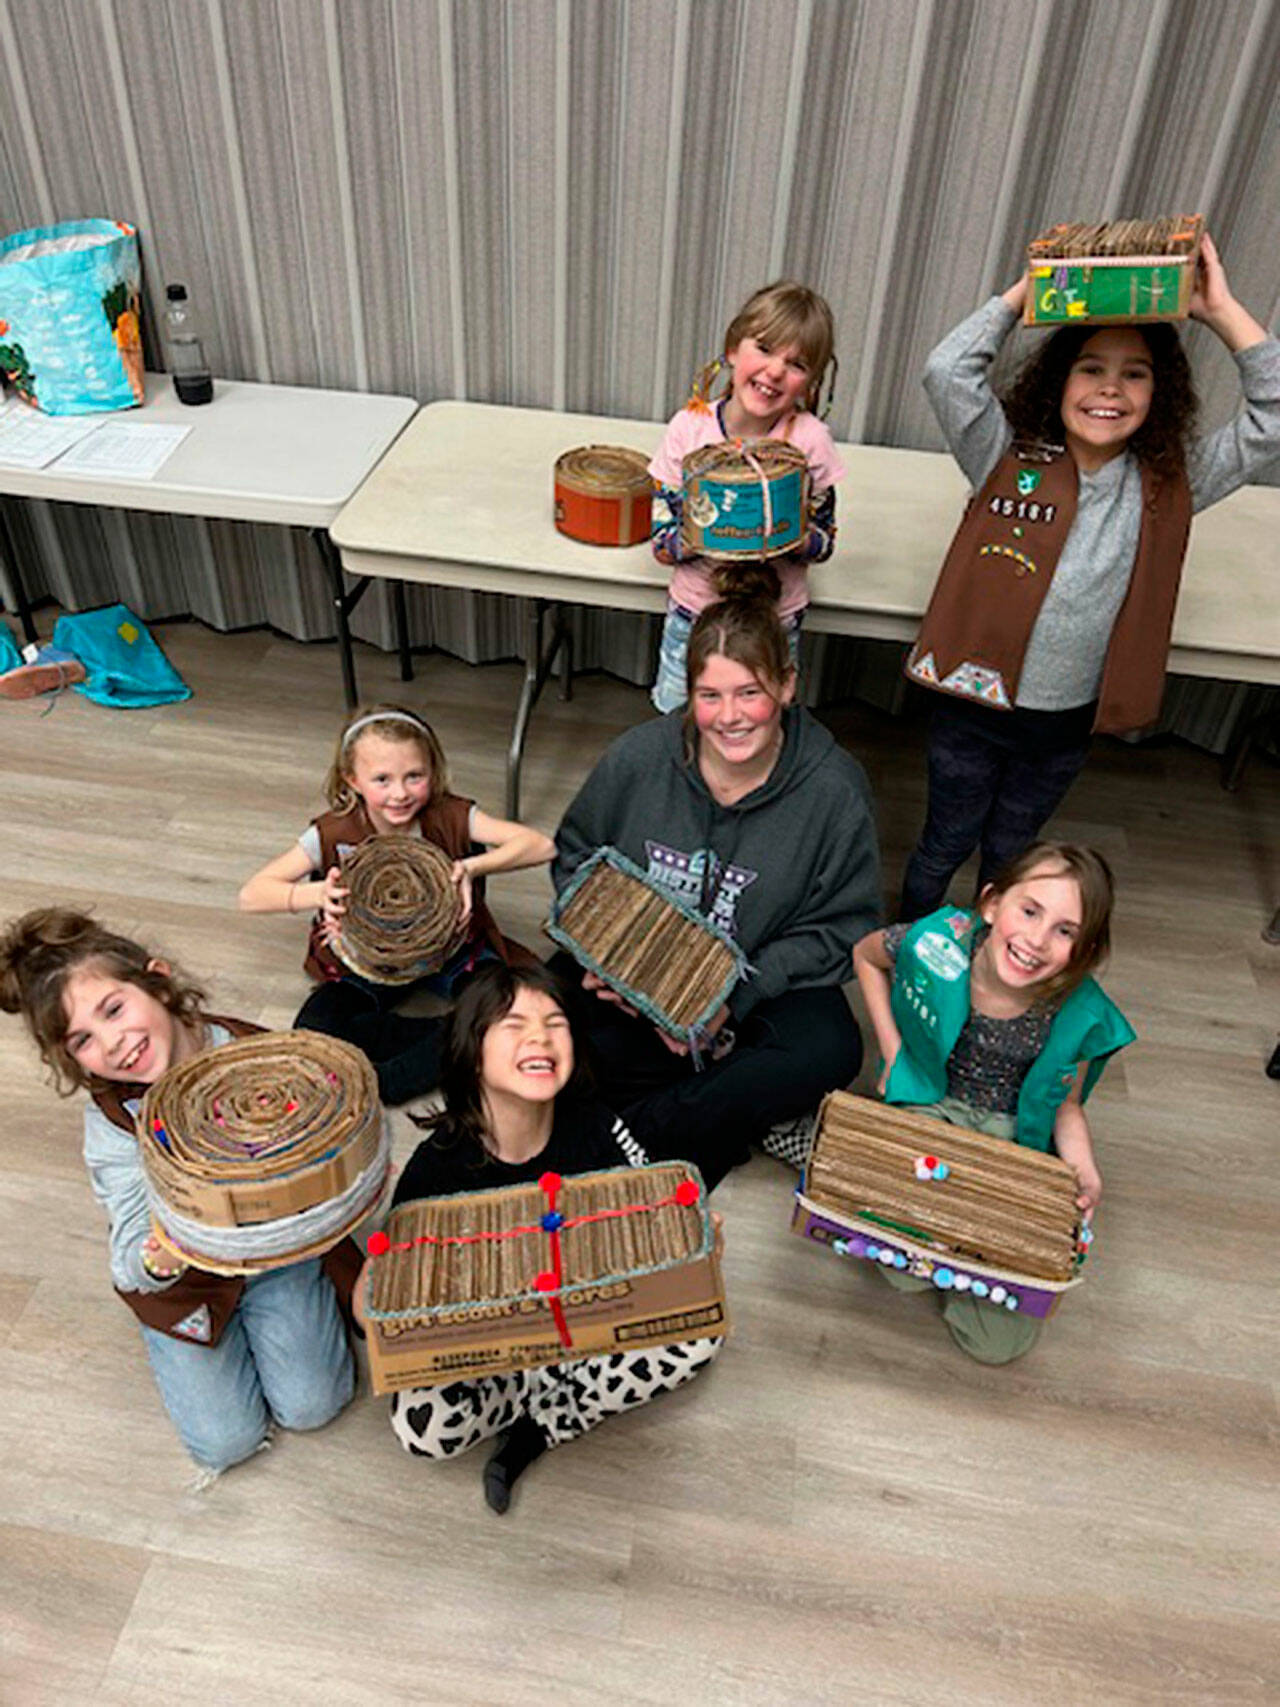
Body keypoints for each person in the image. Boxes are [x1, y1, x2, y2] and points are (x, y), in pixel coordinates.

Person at [900, 232, 1280, 919]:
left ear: (1159, 393)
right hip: (970, 708)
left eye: (1134, 373)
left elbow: (1274, 415)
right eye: (1090, 368)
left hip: (1062, 723)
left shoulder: (1172, 482)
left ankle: (989, 960)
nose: (1110, 386)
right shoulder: (1004, 454)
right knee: (943, 840)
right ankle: (909, 945)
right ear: (1058, 382)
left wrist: (1219, 311)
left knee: (1012, 851)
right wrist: (1032, 292)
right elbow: (946, 370)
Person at [0, 908, 358, 1481]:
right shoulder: (116, 1126)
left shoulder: (257, 1052)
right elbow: (130, 1263)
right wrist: (159, 1253)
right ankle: (193, 1340)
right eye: (83, 1040)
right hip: (186, 1281)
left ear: (157, 980)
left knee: (315, 1405)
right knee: (224, 1443)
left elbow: (325, 1144)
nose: (114, 1044)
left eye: (114, 1009)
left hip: (273, 1252)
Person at [356, 961, 724, 1514]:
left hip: (588, 1320)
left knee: (700, 1336)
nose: (540, 1036)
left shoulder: (595, 1124)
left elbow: (652, 1210)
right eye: (513, 1024)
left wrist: (694, 1244)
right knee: (421, 1427)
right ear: (470, 1050)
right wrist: (372, 1308)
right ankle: (546, 1402)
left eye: (556, 1023)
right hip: (497, 1347)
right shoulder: (437, 1171)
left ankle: (542, 1428)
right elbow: (393, 1301)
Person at [552, 595, 879, 1174]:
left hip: (758, 986)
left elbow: (843, 928)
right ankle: (746, 1111)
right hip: (637, 980)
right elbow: (576, 857)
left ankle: (641, 1130)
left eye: (749, 692)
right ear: (690, 695)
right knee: (535, 1017)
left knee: (831, 1049)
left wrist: (730, 999)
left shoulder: (835, 791)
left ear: (786, 686)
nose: (731, 716)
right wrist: (609, 962)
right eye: (710, 696)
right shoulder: (638, 757)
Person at [853, 843, 1133, 1364]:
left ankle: (962, 1248)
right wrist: (892, 1053)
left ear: (1086, 952)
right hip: (932, 1107)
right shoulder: (942, 942)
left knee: (998, 1343)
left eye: (1065, 931)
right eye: (1030, 911)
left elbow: (1067, 1105)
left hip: (1011, 1135)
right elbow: (867, 957)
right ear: (990, 904)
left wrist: (1083, 1167)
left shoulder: (1077, 1010)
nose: (1037, 940)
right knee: (898, 1265)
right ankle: (946, 1240)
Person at [239, 702, 553, 1105]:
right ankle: (460, 1034)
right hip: (368, 962)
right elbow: (251, 894)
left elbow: (540, 845)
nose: (400, 793)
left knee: (507, 1003)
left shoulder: (451, 815)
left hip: (451, 952)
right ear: (352, 779)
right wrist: (317, 894)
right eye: (382, 779)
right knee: (313, 1032)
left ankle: (420, 1055)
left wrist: (468, 868)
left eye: (414, 776)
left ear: (433, 773)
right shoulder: (334, 831)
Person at [648, 279, 845, 713]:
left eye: (796, 364)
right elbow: (660, 543)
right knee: (676, 719)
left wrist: (787, 535)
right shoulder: (689, 427)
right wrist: (708, 534)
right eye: (765, 348)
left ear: (812, 381)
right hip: (695, 615)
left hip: (774, 622)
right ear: (734, 348)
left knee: (761, 727)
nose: (775, 370)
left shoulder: (811, 440)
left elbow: (826, 541)